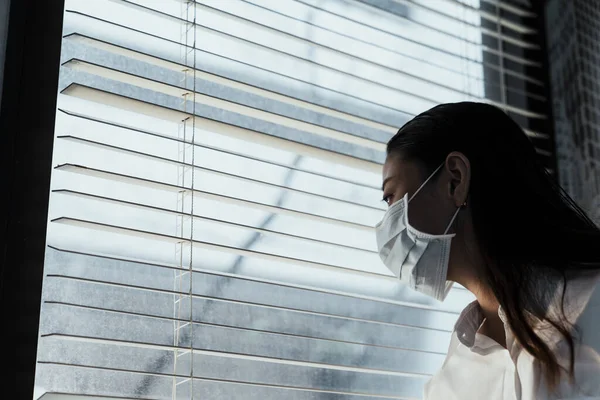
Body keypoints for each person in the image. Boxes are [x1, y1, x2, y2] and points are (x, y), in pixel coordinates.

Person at [375, 102, 600, 400]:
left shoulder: (593, 303)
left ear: (455, 180)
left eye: (391, 197)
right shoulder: (447, 386)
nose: (385, 225)